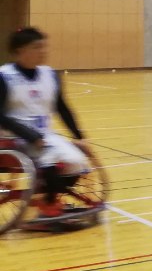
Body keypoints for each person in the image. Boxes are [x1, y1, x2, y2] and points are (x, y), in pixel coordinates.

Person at [0, 27, 97, 230]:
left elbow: (62, 107)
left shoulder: (50, 75)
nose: (43, 51)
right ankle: (49, 207)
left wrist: (79, 136)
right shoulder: (5, 76)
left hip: (43, 136)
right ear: (20, 50)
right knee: (49, 157)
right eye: (37, 47)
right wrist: (29, 135)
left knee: (77, 161)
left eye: (44, 46)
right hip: (12, 137)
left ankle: (48, 198)